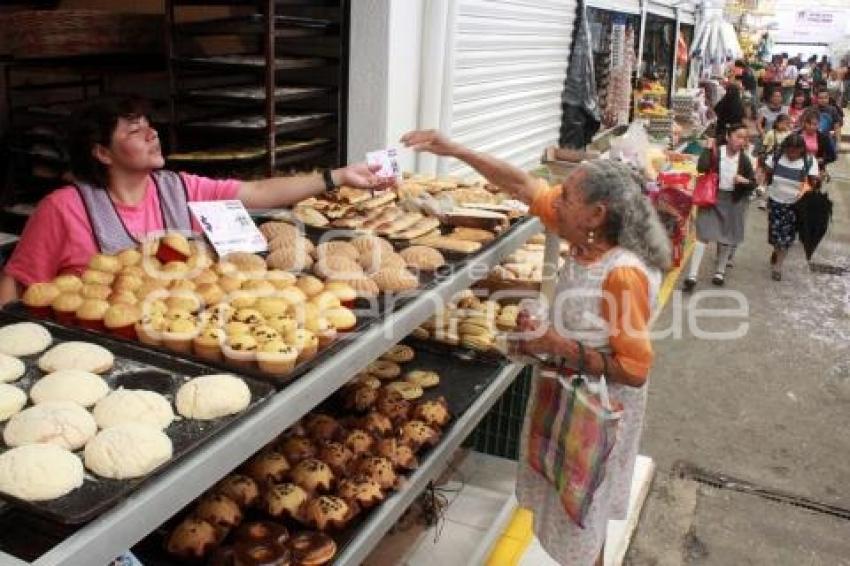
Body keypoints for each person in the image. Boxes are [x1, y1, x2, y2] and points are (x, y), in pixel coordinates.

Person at [401, 129, 670, 566]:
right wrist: (455, 149)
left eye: (566, 195)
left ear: (596, 214)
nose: (555, 200)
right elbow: (521, 185)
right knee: (575, 511)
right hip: (567, 395)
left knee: (581, 515)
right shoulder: (586, 237)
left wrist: (553, 341)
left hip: (596, 413)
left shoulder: (623, 274)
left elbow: (635, 369)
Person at [0, 98, 392, 304]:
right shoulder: (64, 209)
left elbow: (256, 193)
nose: (153, 134)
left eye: (150, 125)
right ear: (102, 153)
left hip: (176, 327)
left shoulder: (179, 188)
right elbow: (15, 285)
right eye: (137, 131)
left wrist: (335, 177)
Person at [683, 123, 757, 290]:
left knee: (726, 237)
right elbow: (701, 167)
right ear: (728, 136)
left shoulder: (744, 159)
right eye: (738, 136)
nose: (742, 141)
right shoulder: (717, 152)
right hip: (712, 199)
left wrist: (743, 181)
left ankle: (720, 271)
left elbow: (753, 182)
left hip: (733, 201)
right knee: (702, 235)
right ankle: (692, 275)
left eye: (745, 138)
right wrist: (708, 148)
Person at [763, 133, 819, 281]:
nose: (792, 154)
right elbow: (766, 173)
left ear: (802, 149)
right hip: (775, 201)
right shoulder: (776, 157)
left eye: (796, 151)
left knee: (787, 237)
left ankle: (778, 266)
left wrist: (815, 180)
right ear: (785, 147)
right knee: (775, 235)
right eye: (789, 150)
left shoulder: (809, 161)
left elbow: (813, 183)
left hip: (795, 205)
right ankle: (777, 250)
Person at [799, 107, 837, 183]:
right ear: (804, 122)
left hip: (816, 173)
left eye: (815, 124)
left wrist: (823, 160)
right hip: (798, 170)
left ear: (819, 123)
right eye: (809, 124)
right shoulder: (797, 135)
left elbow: (833, 156)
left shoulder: (823, 138)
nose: (812, 127)